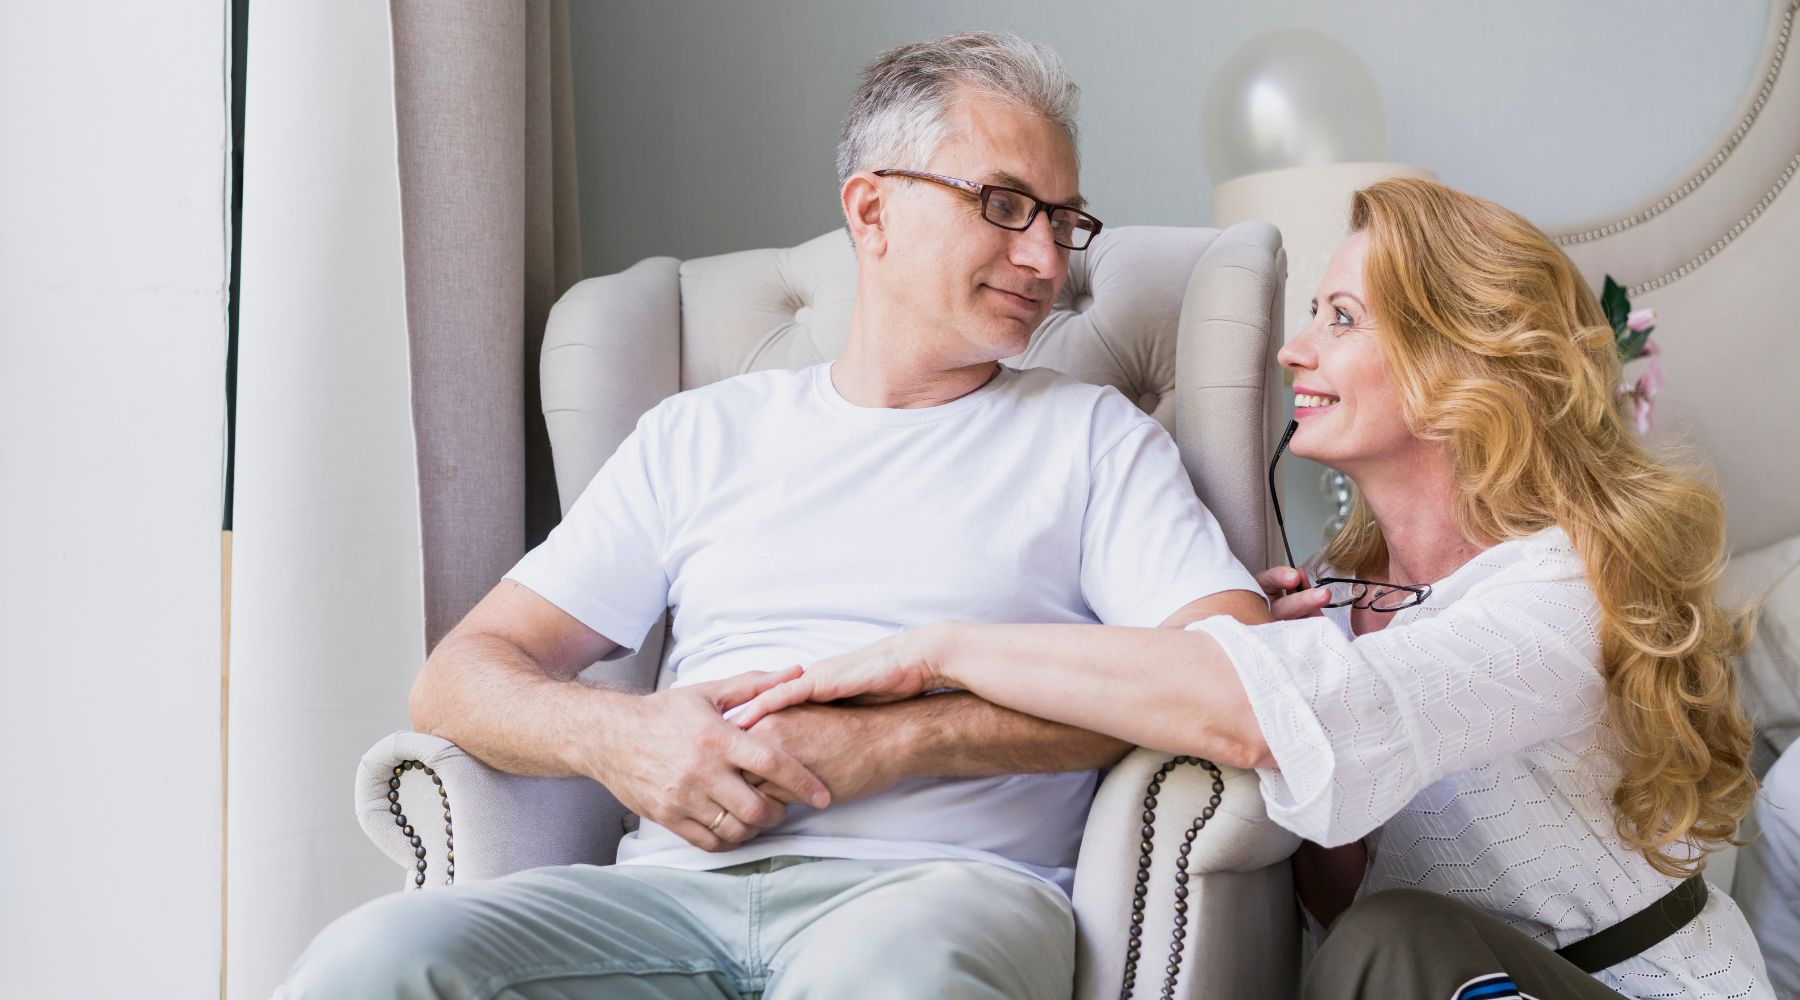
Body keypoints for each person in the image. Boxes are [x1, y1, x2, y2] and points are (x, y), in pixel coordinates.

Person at [278, 31, 1268, 1000]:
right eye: (1006, 206)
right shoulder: (698, 435)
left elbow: (1244, 680)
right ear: (871, 210)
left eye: (1063, 220)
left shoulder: (1091, 438)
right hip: (667, 902)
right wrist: (622, 738)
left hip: (934, 896)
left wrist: (907, 740)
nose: (1046, 258)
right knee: (372, 960)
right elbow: (458, 680)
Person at [734, 177, 1772, 1000]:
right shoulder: (1337, 596)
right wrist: (1280, 659)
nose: (1293, 348)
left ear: (1462, 362)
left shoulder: (1554, 594)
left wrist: (943, 649)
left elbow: (1295, 750)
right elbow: (1331, 881)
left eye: (1342, 317)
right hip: (1423, 970)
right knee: (1375, 935)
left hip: (1631, 987)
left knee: (1394, 942)